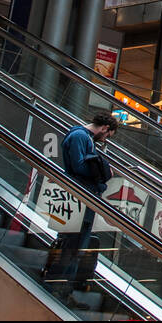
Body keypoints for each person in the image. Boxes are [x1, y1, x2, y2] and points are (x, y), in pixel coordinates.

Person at [43, 113, 120, 296]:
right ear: (104, 128)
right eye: (108, 134)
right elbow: (78, 166)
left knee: (76, 246)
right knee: (72, 244)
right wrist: (104, 172)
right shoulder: (79, 136)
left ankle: (64, 287)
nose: (105, 139)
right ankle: (57, 285)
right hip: (78, 197)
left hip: (82, 196)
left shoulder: (83, 137)